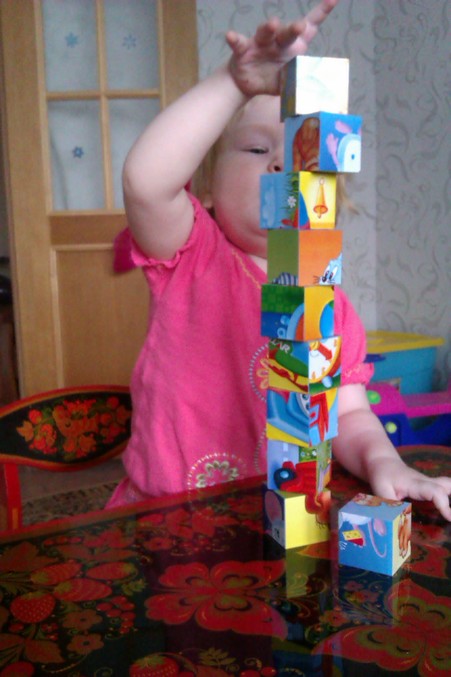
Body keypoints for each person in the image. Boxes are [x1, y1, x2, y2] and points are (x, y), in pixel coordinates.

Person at [107, 0, 451, 521]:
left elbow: (347, 414)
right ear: (207, 187)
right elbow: (146, 182)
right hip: (167, 515)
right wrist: (233, 84)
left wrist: (386, 463)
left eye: (302, 156)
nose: (280, 164)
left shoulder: (330, 304)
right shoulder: (193, 254)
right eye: (255, 149)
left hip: (278, 521)